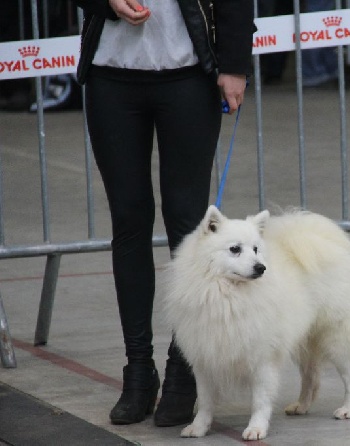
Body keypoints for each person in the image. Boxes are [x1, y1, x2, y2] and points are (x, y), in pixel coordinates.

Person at [73, 0, 255, 426]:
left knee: (189, 228)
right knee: (129, 220)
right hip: (110, 76)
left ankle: (183, 368)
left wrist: (235, 62)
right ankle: (138, 371)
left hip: (189, 75)